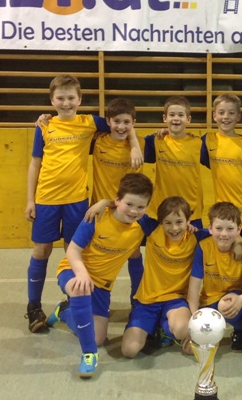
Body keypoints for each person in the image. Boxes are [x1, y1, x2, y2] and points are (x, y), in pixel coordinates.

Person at [23, 75, 141, 333]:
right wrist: (30, 199)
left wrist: (134, 145)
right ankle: (33, 306)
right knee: (41, 250)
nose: (66, 103)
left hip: (77, 201)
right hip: (46, 199)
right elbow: (35, 163)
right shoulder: (44, 126)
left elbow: (121, 121)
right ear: (52, 100)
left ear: (79, 100)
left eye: (71, 98)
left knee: (73, 251)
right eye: (60, 98)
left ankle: (72, 301)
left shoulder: (89, 122)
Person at [45, 172, 155, 378]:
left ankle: (64, 312)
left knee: (98, 338)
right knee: (80, 290)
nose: (134, 211)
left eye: (141, 207)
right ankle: (89, 355)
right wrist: (81, 274)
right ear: (117, 200)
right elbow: (73, 250)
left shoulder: (143, 224)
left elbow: (170, 224)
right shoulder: (96, 217)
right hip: (73, 271)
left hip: (102, 286)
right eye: (129, 204)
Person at [121, 196, 199, 358]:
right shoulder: (152, 229)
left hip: (175, 300)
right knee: (129, 350)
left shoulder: (196, 236)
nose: (174, 228)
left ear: (188, 221)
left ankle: (164, 329)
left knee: (183, 330)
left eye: (179, 222)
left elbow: (221, 234)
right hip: (147, 301)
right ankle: (150, 324)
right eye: (168, 223)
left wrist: (238, 243)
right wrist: (103, 203)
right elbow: (130, 209)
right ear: (160, 222)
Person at [90, 97, 146, 304]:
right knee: (95, 257)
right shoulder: (97, 141)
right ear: (108, 121)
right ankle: (87, 298)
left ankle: (137, 299)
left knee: (134, 253)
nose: (121, 126)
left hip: (129, 212)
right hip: (101, 211)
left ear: (134, 123)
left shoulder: (142, 144)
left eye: (127, 122)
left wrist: (134, 144)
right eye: (116, 121)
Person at [200, 93, 242, 246]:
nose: (226, 117)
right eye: (221, 112)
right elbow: (188, 147)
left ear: (238, 117)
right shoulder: (207, 141)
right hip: (225, 215)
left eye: (231, 113)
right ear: (214, 115)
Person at [187, 201, 242, 351]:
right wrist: (194, 320)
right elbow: (194, 287)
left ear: (239, 229)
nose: (224, 234)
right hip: (209, 298)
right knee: (185, 330)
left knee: (225, 306)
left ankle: (241, 329)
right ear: (210, 228)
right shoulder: (203, 247)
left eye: (230, 229)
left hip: (235, 297)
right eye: (218, 228)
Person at [144, 96, 205, 229]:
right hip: (161, 210)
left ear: (188, 119)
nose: (176, 118)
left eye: (180, 115)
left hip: (191, 211)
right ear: (164, 118)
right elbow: (132, 144)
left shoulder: (198, 143)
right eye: (172, 115)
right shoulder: (156, 140)